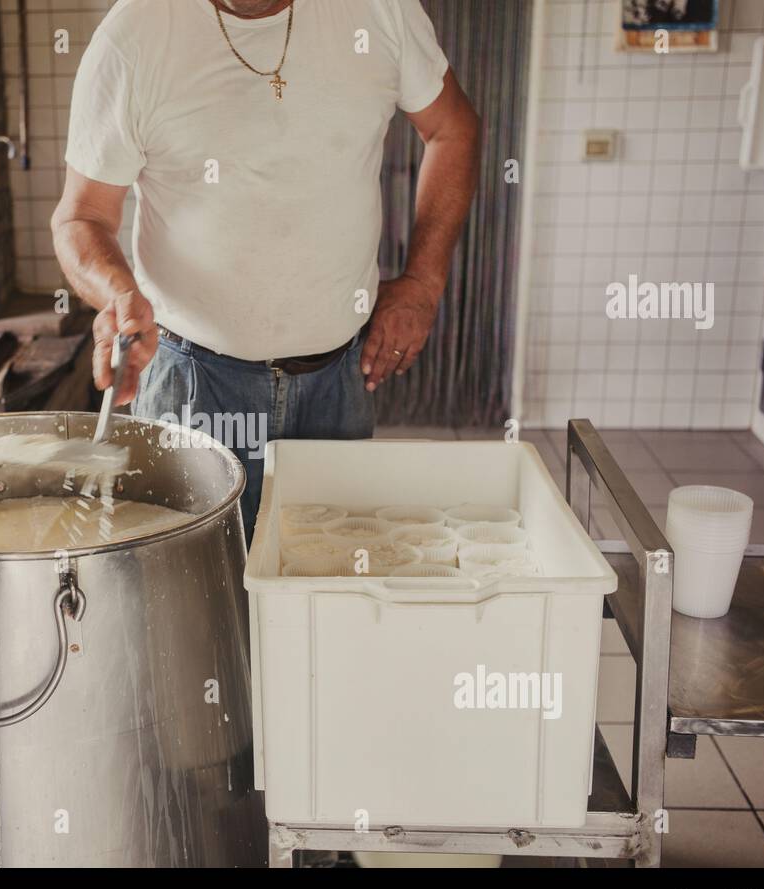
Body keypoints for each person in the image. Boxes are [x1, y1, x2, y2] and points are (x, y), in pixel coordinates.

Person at [52, 0, 479, 543]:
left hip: (337, 384)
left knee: (327, 593)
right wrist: (119, 295)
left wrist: (423, 282)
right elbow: (81, 217)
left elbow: (453, 129)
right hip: (193, 386)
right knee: (201, 603)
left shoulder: (379, 11)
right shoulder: (134, 35)